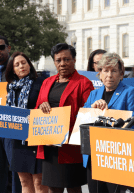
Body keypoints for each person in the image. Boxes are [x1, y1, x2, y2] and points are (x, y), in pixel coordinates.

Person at [35, 43, 94, 193]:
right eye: (58, 60)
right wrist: (41, 107)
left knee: (73, 187)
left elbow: (88, 115)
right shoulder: (47, 82)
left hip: (70, 147)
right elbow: (36, 109)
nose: (62, 64)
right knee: (53, 188)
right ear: (54, 62)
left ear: (74, 60)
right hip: (48, 145)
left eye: (66, 59)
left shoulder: (84, 83)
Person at [84, 52, 134, 193]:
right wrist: (93, 109)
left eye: (114, 71)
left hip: (116, 157)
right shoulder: (93, 94)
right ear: (100, 74)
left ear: (121, 75)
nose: (109, 75)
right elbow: (83, 120)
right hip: (94, 155)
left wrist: (111, 117)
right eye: (106, 70)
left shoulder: (130, 92)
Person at [5, 52, 47, 193]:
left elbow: (47, 105)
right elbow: (7, 111)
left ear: (29, 64)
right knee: (24, 181)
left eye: (23, 62)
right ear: (12, 70)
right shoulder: (10, 88)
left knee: (39, 183)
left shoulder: (41, 82)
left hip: (36, 138)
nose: (21, 66)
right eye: (17, 65)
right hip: (18, 139)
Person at [0, 35, 22, 193]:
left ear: (8, 48)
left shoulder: (18, 67)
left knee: (16, 173)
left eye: (1, 47)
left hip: (11, 127)